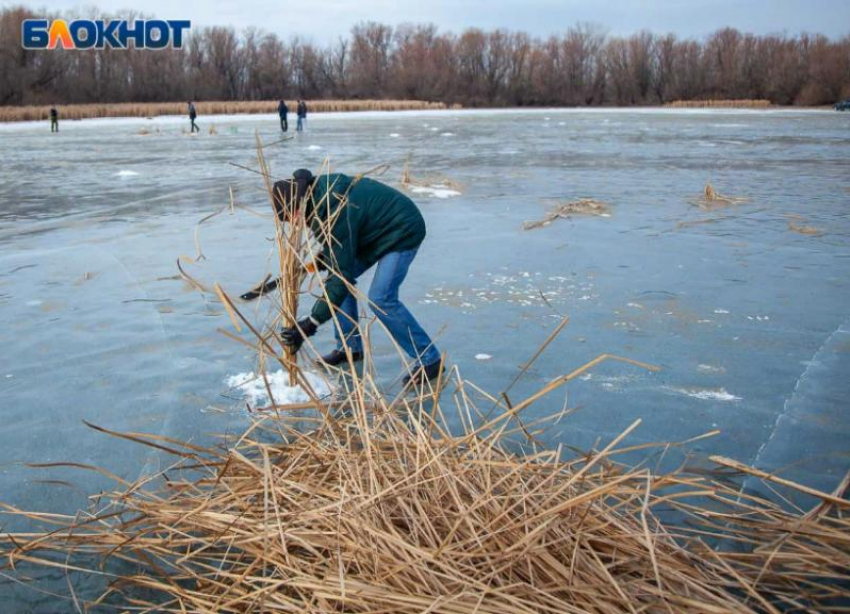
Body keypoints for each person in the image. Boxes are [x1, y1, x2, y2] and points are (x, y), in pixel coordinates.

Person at [275, 169, 443, 383]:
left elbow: (340, 270)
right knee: (337, 281)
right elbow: (344, 242)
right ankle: (349, 349)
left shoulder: (333, 210)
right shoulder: (318, 198)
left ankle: (429, 359)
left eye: (291, 217)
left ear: (298, 206)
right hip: (374, 233)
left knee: (381, 298)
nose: (294, 223)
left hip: (403, 230)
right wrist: (328, 255)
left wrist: (310, 324)